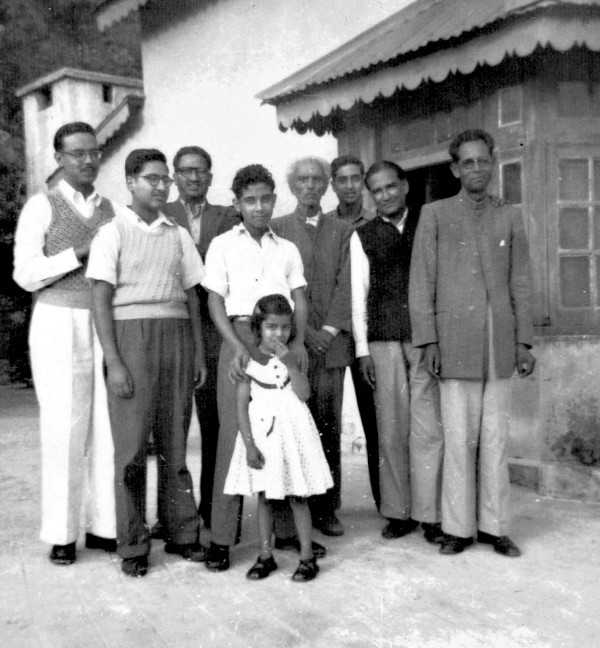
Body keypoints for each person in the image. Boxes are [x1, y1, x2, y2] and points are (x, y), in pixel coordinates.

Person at [410, 129, 536, 557]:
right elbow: (421, 283)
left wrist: (524, 342)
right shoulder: (435, 214)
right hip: (453, 344)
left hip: (498, 345)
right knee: (459, 441)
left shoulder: (509, 216)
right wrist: (428, 342)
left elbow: (521, 280)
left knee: (496, 440)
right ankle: (458, 528)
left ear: (493, 162)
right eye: (468, 162)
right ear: (454, 169)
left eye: (483, 160)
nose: (477, 168)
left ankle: (495, 527)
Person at [87, 148, 206, 577]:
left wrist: (195, 352)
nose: (160, 186)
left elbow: (192, 293)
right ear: (131, 183)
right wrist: (115, 362)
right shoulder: (112, 232)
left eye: (164, 180)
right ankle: (133, 544)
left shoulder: (177, 234)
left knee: (175, 441)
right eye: (151, 179)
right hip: (130, 340)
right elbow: (100, 298)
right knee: (132, 449)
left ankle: (182, 533)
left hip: (175, 339)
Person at [201, 164, 315, 572]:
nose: (259, 207)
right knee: (235, 439)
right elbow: (215, 300)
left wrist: (296, 342)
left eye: (266, 198)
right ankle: (220, 538)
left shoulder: (285, 248)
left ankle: (285, 534)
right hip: (240, 340)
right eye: (250, 200)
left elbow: (299, 298)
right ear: (236, 203)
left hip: (279, 339)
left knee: (284, 433)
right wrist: (235, 346)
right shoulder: (222, 245)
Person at [13, 121, 116, 565]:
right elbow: (24, 273)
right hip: (57, 319)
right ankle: (62, 533)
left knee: (107, 425)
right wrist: (79, 252)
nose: (88, 160)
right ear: (59, 158)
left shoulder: (111, 209)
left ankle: (105, 526)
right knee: (64, 426)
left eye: (93, 152)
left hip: (104, 321)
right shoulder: (42, 206)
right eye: (78, 153)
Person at [351, 160, 444, 542]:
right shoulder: (364, 236)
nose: (385, 195)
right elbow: (359, 295)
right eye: (377, 190)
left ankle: (431, 514)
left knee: (428, 430)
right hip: (383, 340)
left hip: (424, 340)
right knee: (390, 430)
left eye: (391, 186)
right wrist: (362, 349)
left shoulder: (429, 221)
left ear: (405, 186)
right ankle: (398, 513)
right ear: (371, 197)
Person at [156, 146, 239, 537]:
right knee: (170, 428)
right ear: (174, 175)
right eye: (186, 171)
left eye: (201, 171)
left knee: (215, 425)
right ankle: (172, 515)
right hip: (172, 325)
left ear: (210, 176)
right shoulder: (160, 213)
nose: (193, 178)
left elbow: (224, 265)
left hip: (213, 329)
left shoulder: (228, 216)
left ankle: (211, 509)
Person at [224, 294, 333, 582]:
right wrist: (249, 445)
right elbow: (240, 405)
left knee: (298, 495)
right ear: (258, 327)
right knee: (265, 497)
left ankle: (307, 557)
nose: (279, 333)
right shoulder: (248, 360)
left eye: (285, 327)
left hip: (293, 433)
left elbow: (304, 394)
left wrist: (292, 365)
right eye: (271, 327)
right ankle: (265, 555)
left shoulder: (293, 357)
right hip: (262, 434)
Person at [272, 157, 353, 537]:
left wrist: (330, 330)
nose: (310, 186)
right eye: (302, 179)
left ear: (326, 187)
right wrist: (300, 336)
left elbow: (346, 283)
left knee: (328, 426)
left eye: (317, 180)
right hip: (293, 346)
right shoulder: (276, 228)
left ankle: (326, 508)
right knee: (293, 427)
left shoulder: (342, 230)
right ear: (292, 186)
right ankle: (290, 511)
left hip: (331, 347)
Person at [325, 154, 380, 509]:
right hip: (332, 334)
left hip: (365, 332)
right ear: (333, 183)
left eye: (354, 178)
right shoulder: (325, 224)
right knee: (327, 421)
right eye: (341, 179)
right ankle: (329, 506)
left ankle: (387, 503)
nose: (348, 185)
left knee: (375, 417)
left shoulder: (376, 223)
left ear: (362, 181)